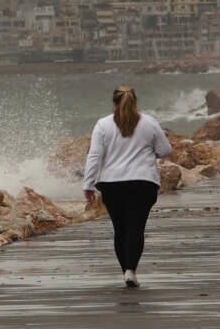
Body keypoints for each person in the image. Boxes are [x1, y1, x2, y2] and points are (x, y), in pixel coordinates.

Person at [83, 85, 173, 288]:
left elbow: (94, 156)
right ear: (135, 101)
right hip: (143, 182)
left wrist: (88, 183)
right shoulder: (149, 122)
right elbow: (165, 150)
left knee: (120, 228)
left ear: (114, 102)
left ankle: (126, 270)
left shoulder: (103, 124)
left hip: (111, 184)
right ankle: (131, 270)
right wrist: (146, 152)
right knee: (136, 227)